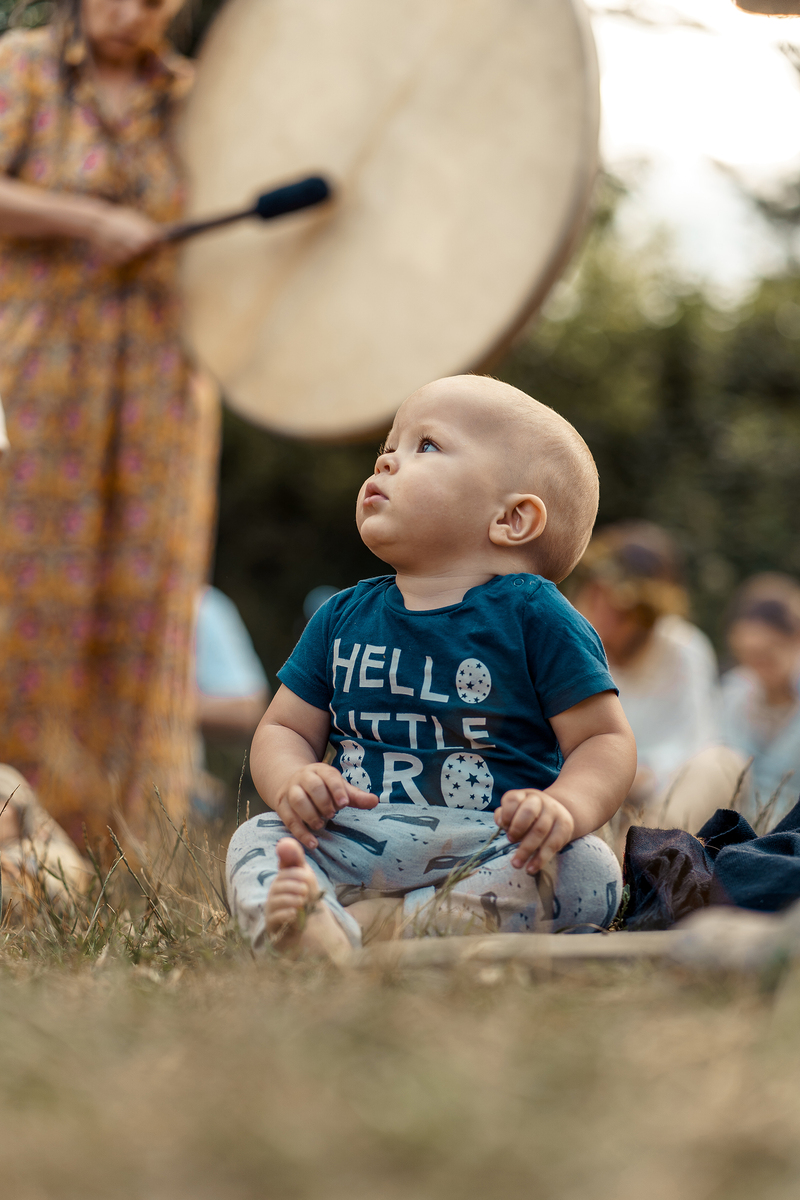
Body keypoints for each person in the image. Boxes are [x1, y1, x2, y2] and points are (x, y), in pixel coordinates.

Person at [226, 375, 636, 958]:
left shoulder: (535, 616)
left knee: (588, 868)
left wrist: (564, 809)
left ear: (512, 520)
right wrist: (294, 779)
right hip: (356, 835)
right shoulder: (341, 616)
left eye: (426, 446)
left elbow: (603, 740)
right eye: (387, 448)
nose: (388, 461)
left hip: (492, 842)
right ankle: (307, 922)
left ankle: (387, 931)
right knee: (256, 838)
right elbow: (285, 728)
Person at [0, 0, 219, 843]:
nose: (127, 10)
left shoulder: (201, 100)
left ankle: (127, 845)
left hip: (162, 378)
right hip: (39, 365)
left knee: (149, 590)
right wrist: (88, 219)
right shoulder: (24, 66)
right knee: (22, 587)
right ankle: (16, 831)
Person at [569, 522, 743, 846]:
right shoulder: (572, 642)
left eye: (619, 609)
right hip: (589, 790)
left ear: (646, 613)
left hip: (663, 798)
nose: (603, 613)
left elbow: (696, 742)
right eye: (596, 595)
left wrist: (640, 774)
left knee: (720, 764)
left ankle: (638, 863)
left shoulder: (683, 648)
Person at [722, 574, 800, 824]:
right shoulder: (735, 691)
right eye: (749, 655)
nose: (757, 668)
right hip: (737, 826)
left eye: (767, 655)